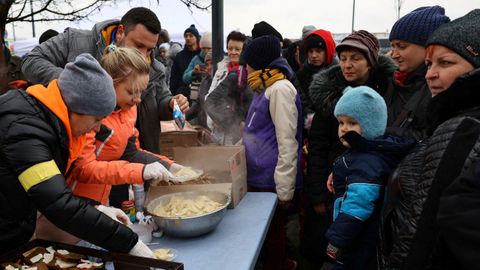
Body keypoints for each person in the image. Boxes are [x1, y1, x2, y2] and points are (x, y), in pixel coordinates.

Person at [0, 54, 153, 258]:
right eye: (96, 119)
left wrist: (96, 208)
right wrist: (129, 242)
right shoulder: (25, 130)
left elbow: (50, 192)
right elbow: (57, 203)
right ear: (77, 108)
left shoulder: (46, 123)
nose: (98, 127)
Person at [35, 46, 185, 243]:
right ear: (110, 84)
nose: (138, 99)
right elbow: (84, 169)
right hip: (71, 200)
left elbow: (130, 151)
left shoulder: (129, 110)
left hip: (100, 200)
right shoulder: (90, 115)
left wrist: (169, 165)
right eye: (132, 92)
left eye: (142, 91)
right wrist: (140, 171)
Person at [379, 9, 480, 269]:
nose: (430, 74)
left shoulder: (464, 130)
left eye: (445, 63)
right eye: (429, 64)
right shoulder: (451, 118)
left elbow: (420, 232)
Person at [22, 7, 189, 155]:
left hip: (132, 152)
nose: (144, 55)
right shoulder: (76, 40)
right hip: (79, 152)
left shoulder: (156, 69)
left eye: (150, 49)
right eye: (138, 46)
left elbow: (160, 103)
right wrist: (75, 83)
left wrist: (171, 104)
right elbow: (32, 61)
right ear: (121, 31)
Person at [304, 30, 396, 268]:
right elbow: (317, 147)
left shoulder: (389, 92)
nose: (347, 65)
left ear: (371, 61)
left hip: (373, 184)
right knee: (330, 247)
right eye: (343, 58)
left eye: (355, 58)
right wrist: (316, 194)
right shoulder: (330, 95)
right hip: (333, 186)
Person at [324, 86, 415, 269]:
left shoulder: (367, 160)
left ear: (371, 125)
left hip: (357, 238)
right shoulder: (364, 153)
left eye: (352, 123)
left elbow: (359, 203)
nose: (343, 129)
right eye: (341, 123)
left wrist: (337, 239)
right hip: (358, 234)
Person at [243, 35, 302, 270]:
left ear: (259, 63)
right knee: (266, 233)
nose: (245, 68)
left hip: (270, 179)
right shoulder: (264, 87)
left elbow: (287, 141)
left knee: (273, 233)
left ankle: (282, 266)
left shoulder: (280, 89)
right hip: (258, 175)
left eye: (248, 62)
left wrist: (285, 189)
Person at [383, 6, 450, 140]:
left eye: (401, 46)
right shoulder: (392, 80)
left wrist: (382, 133)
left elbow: (432, 139)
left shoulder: (439, 86)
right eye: (393, 46)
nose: (394, 55)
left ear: (428, 46)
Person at [205, 30, 250, 145]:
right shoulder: (220, 69)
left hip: (237, 133)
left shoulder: (246, 73)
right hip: (218, 131)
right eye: (230, 48)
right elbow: (210, 96)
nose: (233, 52)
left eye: (237, 49)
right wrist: (216, 117)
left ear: (244, 51)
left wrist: (231, 121)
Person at [294, 29, 336, 132]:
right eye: (310, 51)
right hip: (312, 129)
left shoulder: (338, 73)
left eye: (318, 51)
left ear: (327, 51)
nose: (314, 55)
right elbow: (302, 101)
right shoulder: (301, 75)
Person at [170, 24, 201, 95]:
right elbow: (174, 77)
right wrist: (173, 94)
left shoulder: (202, 55)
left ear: (196, 38)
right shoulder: (180, 56)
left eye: (191, 36)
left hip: (199, 94)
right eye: (186, 36)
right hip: (181, 94)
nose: (188, 38)